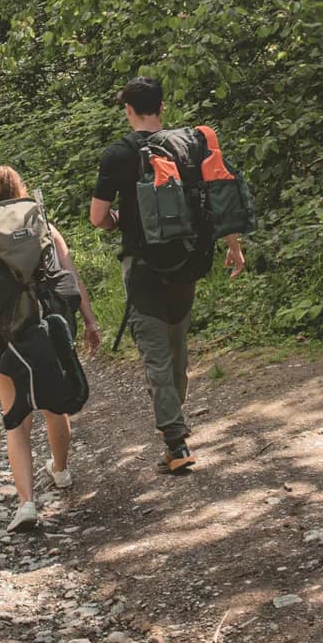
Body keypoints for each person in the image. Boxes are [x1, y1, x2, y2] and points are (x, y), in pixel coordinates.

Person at [88, 76, 244, 473]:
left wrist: (120, 222)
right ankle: (174, 428)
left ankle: (176, 443)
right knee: (177, 346)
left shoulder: (118, 154)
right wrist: (233, 246)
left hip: (142, 267)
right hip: (187, 260)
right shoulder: (187, 144)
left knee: (155, 353)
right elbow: (214, 200)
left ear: (128, 111)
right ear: (162, 107)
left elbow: (98, 218)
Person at [0, 166, 100, 532]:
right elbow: (70, 277)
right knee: (54, 405)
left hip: (8, 337)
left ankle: (26, 504)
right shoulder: (46, 228)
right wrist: (91, 321)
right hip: (50, 329)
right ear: (22, 191)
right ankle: (61, 470)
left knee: (15, 420)